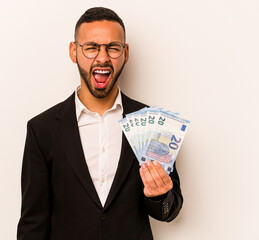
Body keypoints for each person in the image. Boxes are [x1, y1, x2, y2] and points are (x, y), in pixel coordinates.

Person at [17, 7, 183, 240]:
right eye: (92, 47)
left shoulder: (151, 125)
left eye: (113, 48)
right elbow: (33, 222)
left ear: (125, 53)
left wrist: (159, 195)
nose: (103, 57)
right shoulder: (42, 130)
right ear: (74, 51)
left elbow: (170, 210)